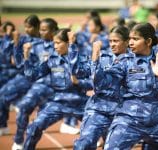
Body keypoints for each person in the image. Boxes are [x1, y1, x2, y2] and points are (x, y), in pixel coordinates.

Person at [95, 23, 158, 149]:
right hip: (129, 122)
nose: (130, 43)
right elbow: (102, 85)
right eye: (130, 39)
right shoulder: (125, 62)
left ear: (148, 41)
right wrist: (95, 61)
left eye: (135, 39)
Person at [23, 28, 92, 150]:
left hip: (80, 102)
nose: (54, 46)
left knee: (99, 130)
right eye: (54, 42)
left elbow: (94, 82)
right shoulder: (52, 59)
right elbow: (32, 76)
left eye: (58, 42)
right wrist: (26, 57)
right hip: (58, 101)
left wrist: (79, 82)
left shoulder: (83, 59)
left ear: (68, 43)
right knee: (34, 127)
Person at [74, 26, 129, 150]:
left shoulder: (133, 61)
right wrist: (72, 48)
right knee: (83, 145)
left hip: (122, 112)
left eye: (116, 41)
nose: (112, 44)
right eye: (110, 41)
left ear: (126, 42)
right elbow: (78, 71)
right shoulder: (102, 57)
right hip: (98, 108)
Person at [12, 18, 58, 150]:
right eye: (40, 30)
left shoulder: (62, 44)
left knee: (38, 123)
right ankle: (19, 140)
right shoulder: (36, 46)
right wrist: (23, 53)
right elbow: (22, 65)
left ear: (53, 31)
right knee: (23, 108)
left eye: (44, 30)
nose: (41, 32)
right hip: (41, 85)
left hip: (58, 89)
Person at [0, 14, 41, 136]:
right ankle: (2, 125)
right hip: (24, 76)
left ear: (37, 27)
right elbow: (9, 56)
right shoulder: (23, 38)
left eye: (29, 27)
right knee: (2, 96)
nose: (27, 30)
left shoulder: (44, 40)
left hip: (40, 78)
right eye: (25, 27)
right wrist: (16, 43)